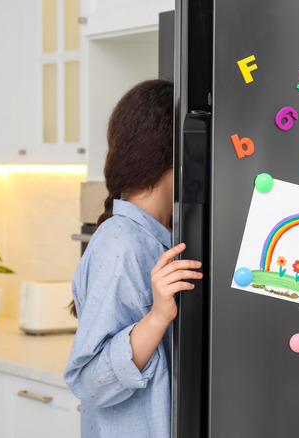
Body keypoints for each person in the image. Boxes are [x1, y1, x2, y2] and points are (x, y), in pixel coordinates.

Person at [64, 79, 202, 437]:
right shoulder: (122, 243)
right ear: (173, 151)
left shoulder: (161, 237)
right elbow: (88, 382)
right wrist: (157, 318)